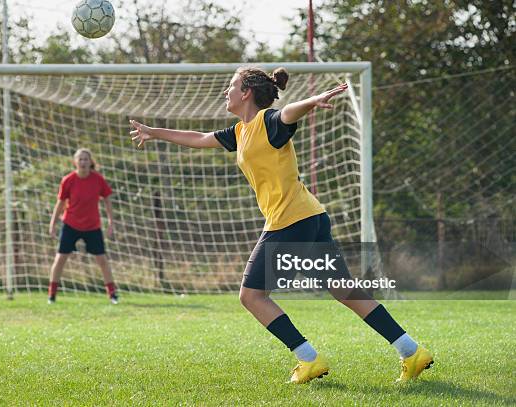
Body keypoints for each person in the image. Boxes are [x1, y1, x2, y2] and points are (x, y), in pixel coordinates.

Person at [129, 66, 433, 384]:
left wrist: (311, 100)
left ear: (246, 92)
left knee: (251, 296)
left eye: (230, 86)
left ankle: (308, 359)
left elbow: (287, 113)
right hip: (311, 217)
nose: (225, 91)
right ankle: (411, 352)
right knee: (344, 290)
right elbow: (201, 138)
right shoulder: (240, 131)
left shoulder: (268, 122)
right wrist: (154, 131)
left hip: (290, 222)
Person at [48, 148, 118, 305]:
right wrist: (53, 224)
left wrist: (111, 222)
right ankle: (51, 295)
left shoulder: (98, 179)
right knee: (60, 258)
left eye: (86, 159)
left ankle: (112, 294)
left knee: (102, 260)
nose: (83, 162)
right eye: (80, 159)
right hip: (70, 224)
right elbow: (60, 203)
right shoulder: (68, 180)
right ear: (75, 162)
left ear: (90, 162)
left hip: (92, 226)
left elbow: (107, 200)